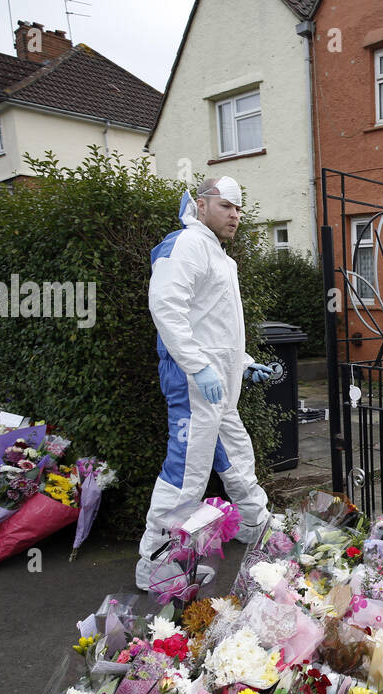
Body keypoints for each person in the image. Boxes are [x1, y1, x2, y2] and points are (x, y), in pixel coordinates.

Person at [135, 175, 274, 590]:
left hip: (215, 385)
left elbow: (215, 324)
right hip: (194, 384)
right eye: (226, 205)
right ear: (201, 204)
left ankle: (254, 522)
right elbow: (166, 308)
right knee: (186, 473)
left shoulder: (215, 254)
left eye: (238, 207)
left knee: (236, 453)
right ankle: (156, 562)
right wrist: (198, 366)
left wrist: (242, 363)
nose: (235, 214)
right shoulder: (187, 245)